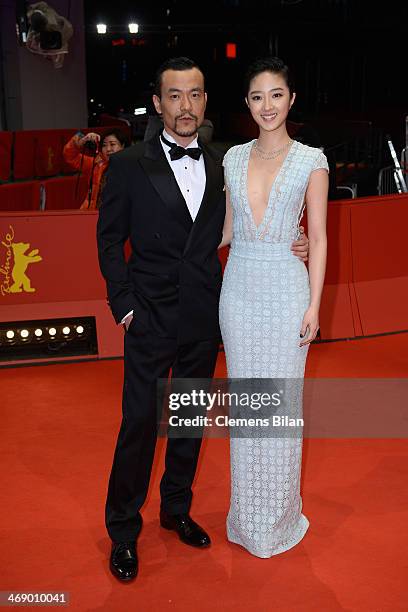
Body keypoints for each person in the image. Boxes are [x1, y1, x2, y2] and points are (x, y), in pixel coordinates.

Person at [96, 56, 309, 582]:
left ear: (206, 101)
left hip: (204, 317)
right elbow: (107, 241)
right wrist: (122, 303)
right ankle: (124, 531)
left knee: (188, 423)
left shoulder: (225, 162)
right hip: (146, 318)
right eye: (174, 95)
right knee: (140, 425)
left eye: (195, 94)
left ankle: (175, 511)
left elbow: (240, 227)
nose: (185, 105)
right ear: (157, 102)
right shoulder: (128, 165)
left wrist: (291, 242)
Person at [219, 57, 328, 558]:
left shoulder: (312, 160)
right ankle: (246, 516)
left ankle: (279, 517)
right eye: (258, 96)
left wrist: (315, 305)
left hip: (287, 293)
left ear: (291, 99)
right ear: (247, 102)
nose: (268, 105)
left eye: (277, 95)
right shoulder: (232, 158)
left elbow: (320, 240)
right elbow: (224, 232)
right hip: (239, 290)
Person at [63, 128, 129, 210]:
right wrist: (80, 142)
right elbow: (70, 156)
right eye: (104, 145)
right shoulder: (96, 164)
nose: (108, 149)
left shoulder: (132, 167)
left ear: (123, 146)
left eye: (112, 144)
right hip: (92, 216)